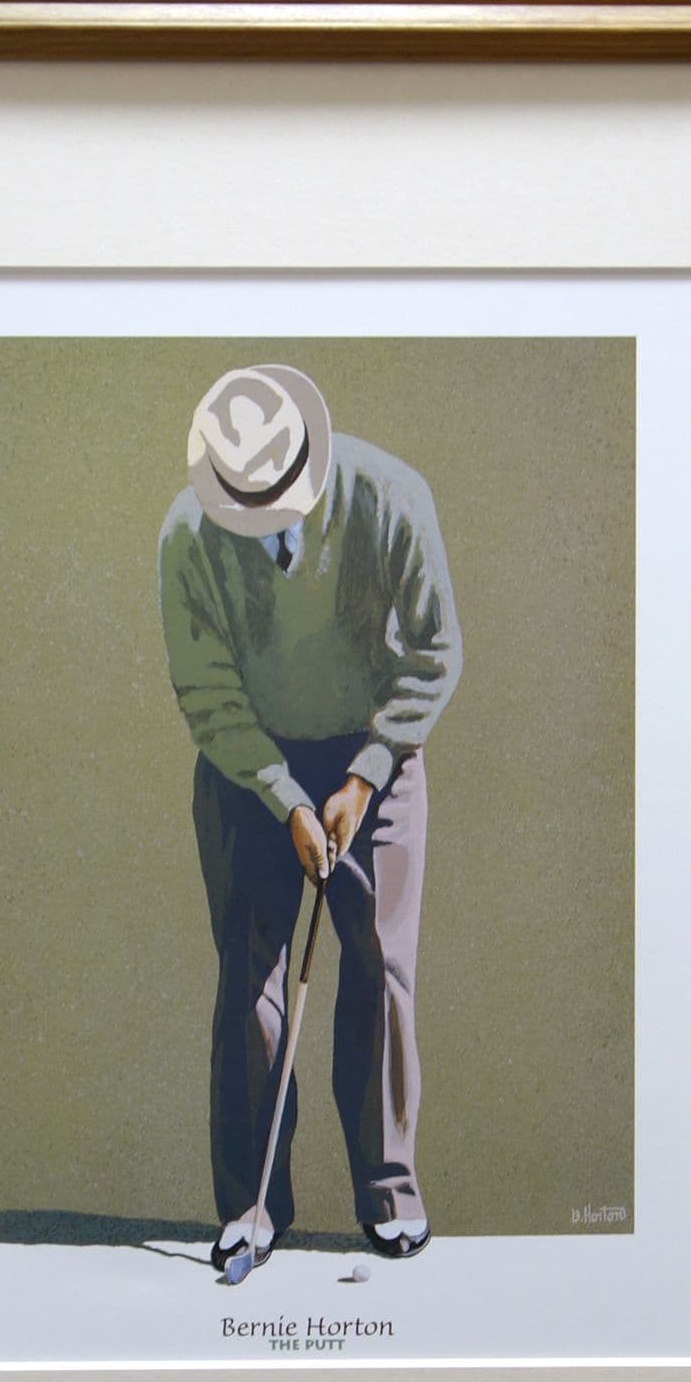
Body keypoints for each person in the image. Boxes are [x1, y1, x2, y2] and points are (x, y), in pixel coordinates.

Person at [158, 363, 462, 1274]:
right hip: (247, 768)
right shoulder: (187, 535)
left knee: (379, 970)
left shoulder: (392, 498)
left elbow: (434, 652)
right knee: (249, 981)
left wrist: (364, 777)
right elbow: (206, 692)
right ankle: (251, 1206)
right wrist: (284, 795)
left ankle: (389, 1189)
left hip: (375, 751)